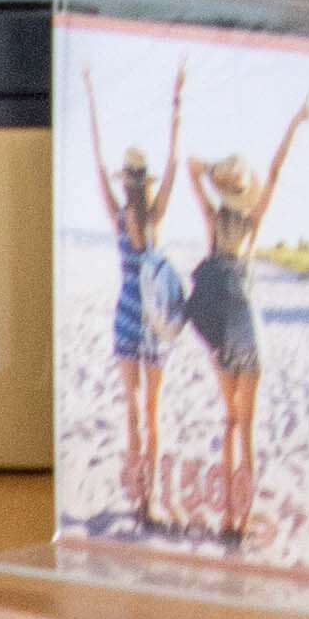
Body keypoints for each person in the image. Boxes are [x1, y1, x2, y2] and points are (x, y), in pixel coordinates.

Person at [182, 101, 309, 547]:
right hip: (246, 330)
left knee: (229, 423)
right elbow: (274, 171)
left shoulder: (214, 222)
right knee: (248, 428)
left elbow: (191, 169)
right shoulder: (252, 225)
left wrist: (213, 170)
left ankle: (227, 516)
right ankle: (244, 512)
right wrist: (293, 123)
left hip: (219, 329)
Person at [85, 57, 187, 536]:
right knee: (149, 412)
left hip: (129, 313)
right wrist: (176, 102)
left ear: (127, 180)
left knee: (136, 409)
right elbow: (173, 163)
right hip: (148, 316)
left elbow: (98, 160)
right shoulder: (152, 216)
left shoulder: (124, 215)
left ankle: (144, 498)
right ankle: (147, 501)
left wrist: (90, 95)